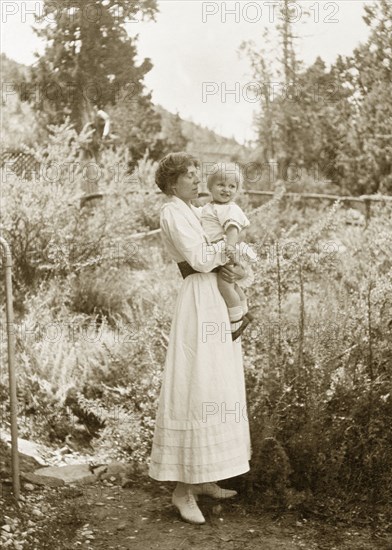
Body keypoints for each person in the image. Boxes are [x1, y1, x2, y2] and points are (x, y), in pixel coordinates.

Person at [148, 152, 251, 525]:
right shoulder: (172, 212)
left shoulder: (198, 210)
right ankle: (182, 491)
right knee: (195, 382)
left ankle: (205, 476)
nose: (195, 180)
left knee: (216, 382)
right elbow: (200, 258)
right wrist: (228, 249)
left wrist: (233, 253)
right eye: (187, 176)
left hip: (214, 295)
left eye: (196, 174)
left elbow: (224, 239)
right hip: (197, 296)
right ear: (172, 184)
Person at [201, 163, 256, 335]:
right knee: (231, 283)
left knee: (224, 284)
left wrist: (230, 249)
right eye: (221, 185)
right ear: (210, 186)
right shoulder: (212, 207)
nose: (226, 190)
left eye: (232, 186)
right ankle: (244, 308)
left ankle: (236, 320)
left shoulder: (228, 208)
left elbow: (233, 229)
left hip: (225, 249)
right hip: (219, 249)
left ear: (237, 190)